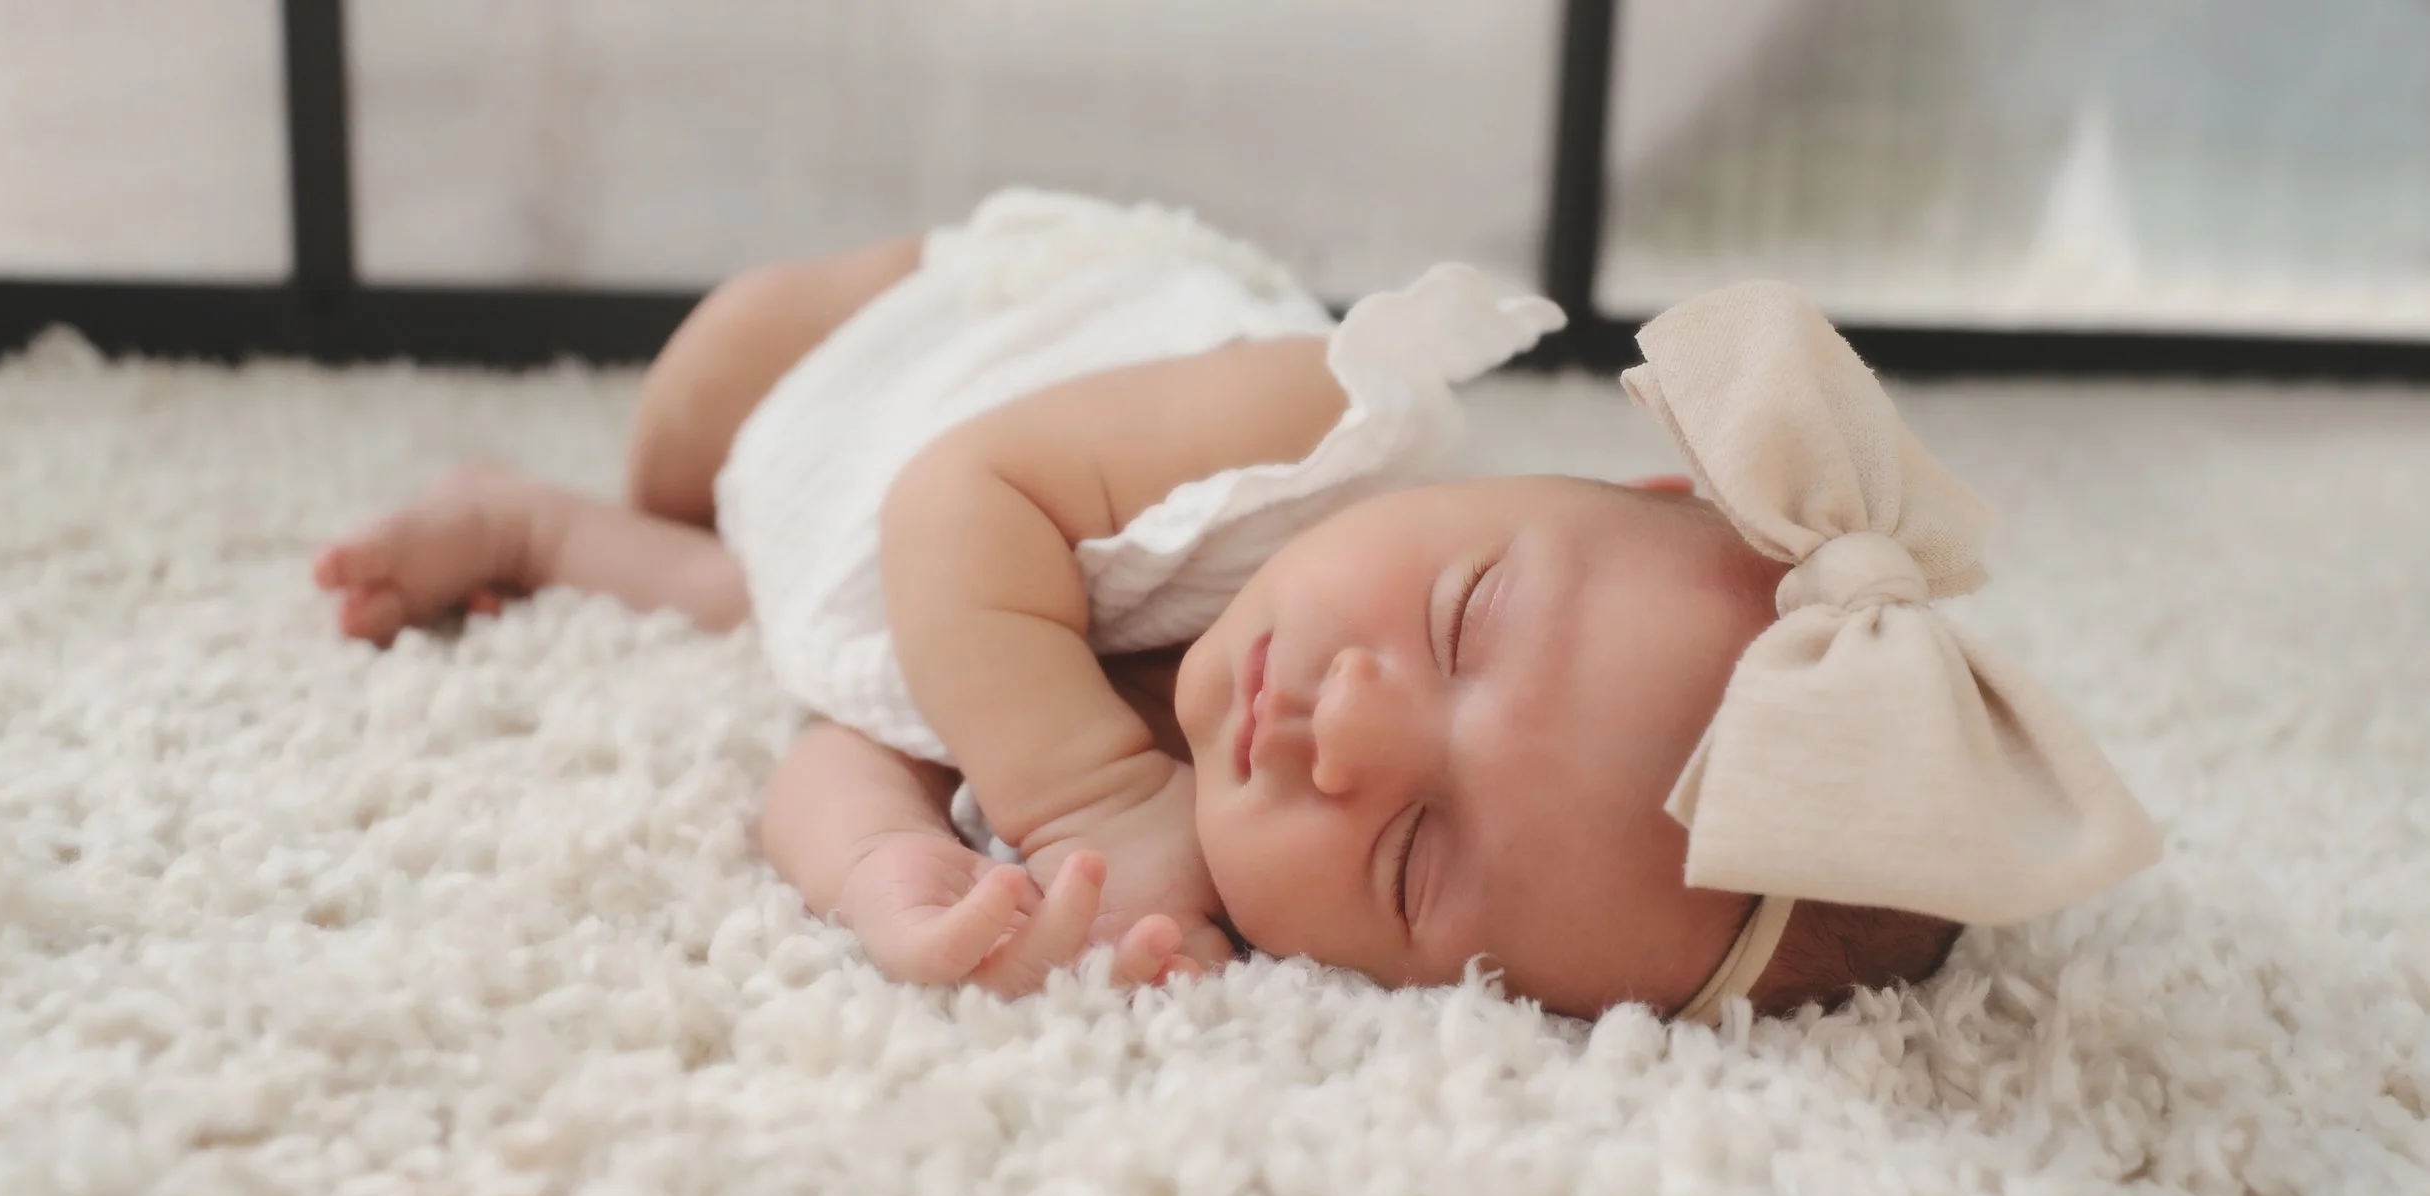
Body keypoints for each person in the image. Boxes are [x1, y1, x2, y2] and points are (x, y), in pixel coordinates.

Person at [312, 190, 2160, 1020]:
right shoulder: (1305, 424)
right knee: (710, 401)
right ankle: (615, 493)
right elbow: (962, 501)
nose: (1344, 734)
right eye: (1464, 623)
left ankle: (538, 536)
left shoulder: (1251, 876)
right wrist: (1095, 806)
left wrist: (919, 886)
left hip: (884, 597)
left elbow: (850, 742)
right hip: (924, 359)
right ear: (1613, 486)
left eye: (1422, 868)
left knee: (816, 640)